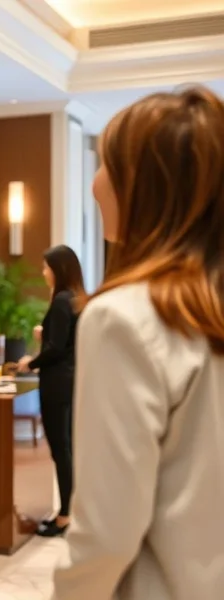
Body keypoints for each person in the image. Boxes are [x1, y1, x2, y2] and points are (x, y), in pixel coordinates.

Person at [52, 85, 224, 599]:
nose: (95, 184)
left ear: (142, 186)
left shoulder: (123, 320)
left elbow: (106, 534)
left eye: (105, 164)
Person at [17, 244, 86, 537]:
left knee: (61, 450)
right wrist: (44, 334)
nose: (43, 273)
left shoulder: (60, 301)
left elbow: (57, 349)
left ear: (58, 269)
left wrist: (30, 362)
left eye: (46, 267)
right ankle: (69, 513)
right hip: (70, 381)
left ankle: (64, 517)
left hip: (56, 383)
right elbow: (67, 340)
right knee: (67, 448)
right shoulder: (75, 299)